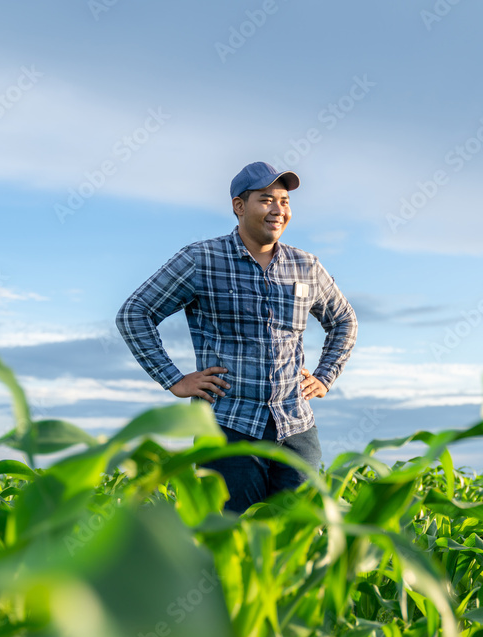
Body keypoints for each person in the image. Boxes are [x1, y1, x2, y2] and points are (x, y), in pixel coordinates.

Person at [116, 161, 358, 513]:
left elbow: (344, 322)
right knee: (232, 542)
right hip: (228, 428)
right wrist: (174, 379)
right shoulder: (201, 259)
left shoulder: (306, 265)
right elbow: (134, 313)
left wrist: (324, 376)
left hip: (295, 427)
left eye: (285, 201)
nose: (278, 210)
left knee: (298, 544)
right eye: (267, 199)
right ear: (239, 206)